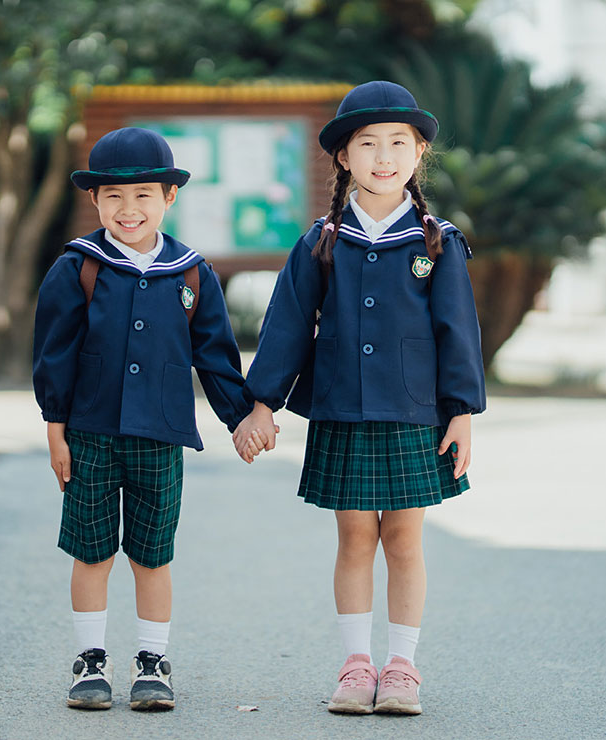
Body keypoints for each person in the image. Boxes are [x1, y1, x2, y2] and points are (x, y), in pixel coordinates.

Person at [233, 81, 486, 716]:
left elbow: (458, 332)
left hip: (415, 415)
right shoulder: (322, 241)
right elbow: (287, 326)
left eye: (399, 143)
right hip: (342, 409)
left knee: (404, 540)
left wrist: (461, 413)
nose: (383, 156)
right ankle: (355, 666)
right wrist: (260, 402)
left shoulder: (437, 241)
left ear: (420, 153)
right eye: (367, 144)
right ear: (343, 158)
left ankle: (402, 667)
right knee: (353, 540)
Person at [32, 127, 250, 712]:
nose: (129, 210)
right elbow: (53, 354)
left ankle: (153, 662)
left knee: (152, 552)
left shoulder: (191, 274)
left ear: (169, 198)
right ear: (96, 201)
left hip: (161, 436)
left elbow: (216, 356)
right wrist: (56, 432)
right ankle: (90, 662)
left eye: (143, 196)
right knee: (92, 550)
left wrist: (243, 418)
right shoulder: (80, 268)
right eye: (115, 198)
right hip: (90, 435)